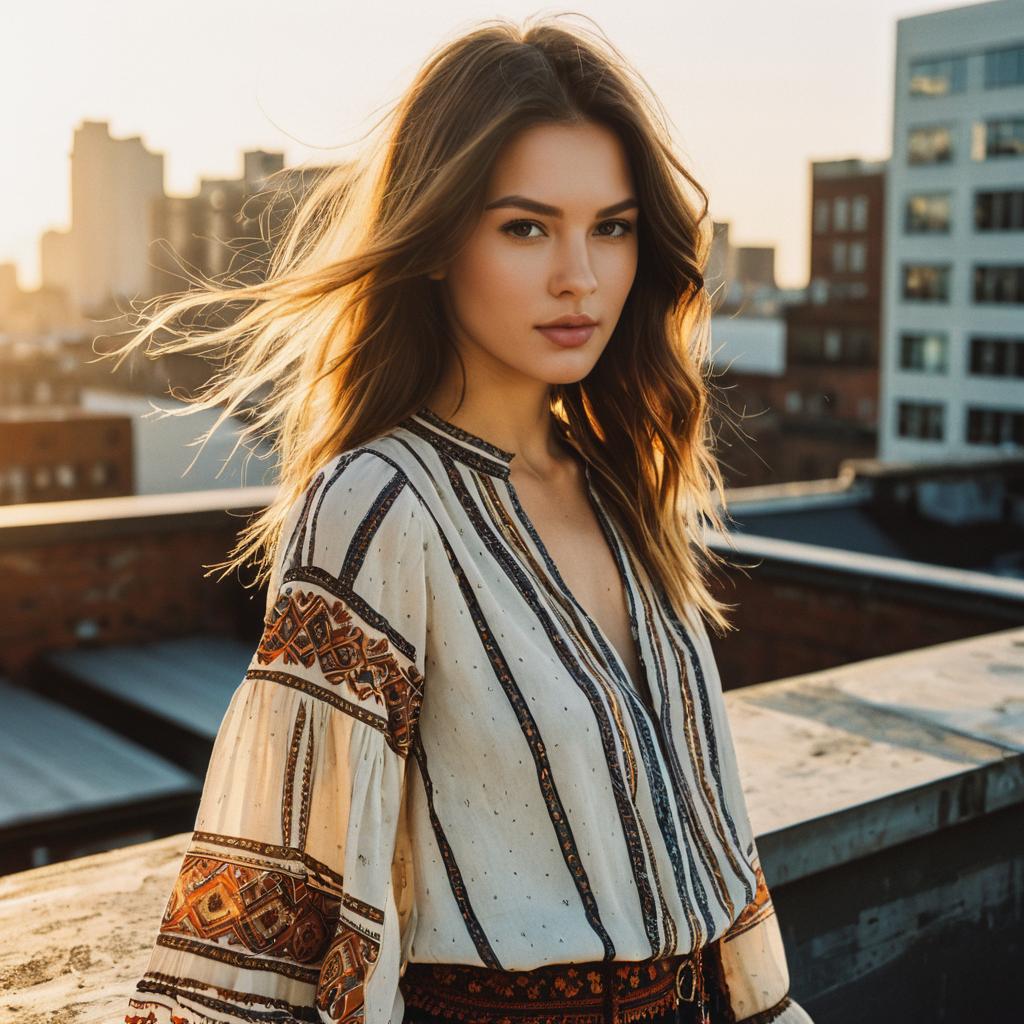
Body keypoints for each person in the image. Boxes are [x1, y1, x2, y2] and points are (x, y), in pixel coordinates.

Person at [118, 14, 814, 1024]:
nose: (579, 276)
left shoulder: (621, 489)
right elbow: (277, 901)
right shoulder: (374, 508)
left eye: (611, 227)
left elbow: (712, 844)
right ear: (440, 241)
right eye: (526, 227)